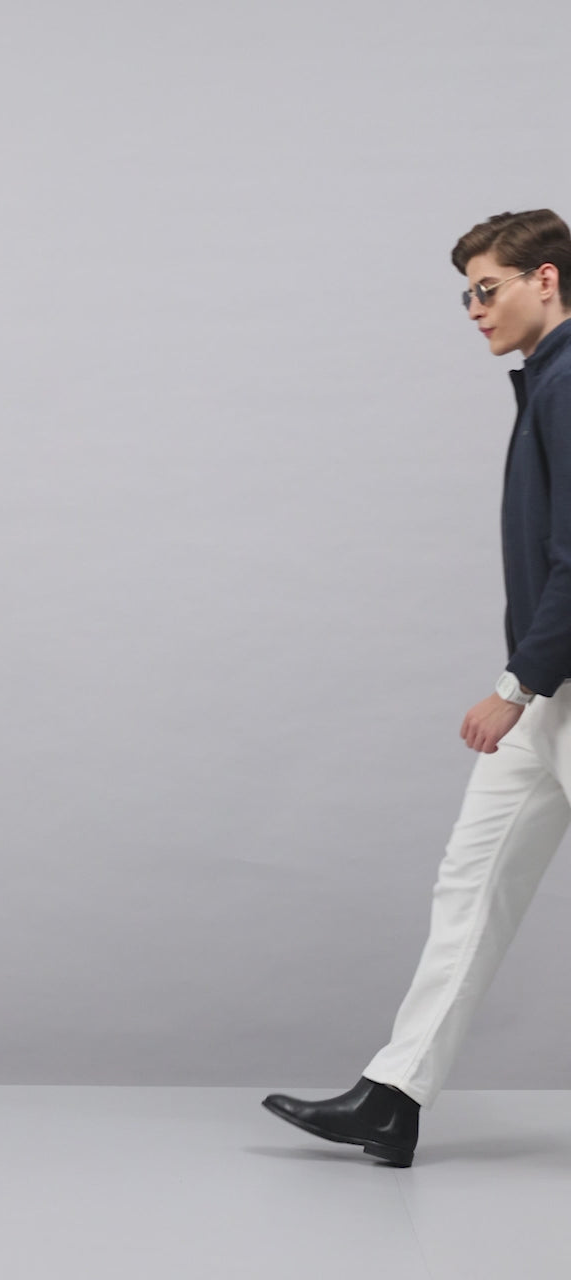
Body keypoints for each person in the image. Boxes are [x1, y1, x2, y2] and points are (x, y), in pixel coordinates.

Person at [262, 208, 571, 1168]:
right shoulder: (548, 381)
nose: (474, 309)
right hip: (548, 688)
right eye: (465, 294)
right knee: (471, 884)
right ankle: (393, 1098)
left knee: (471, 885)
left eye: (488, 288)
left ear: (546, 279)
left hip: (548, 682)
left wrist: (517, 682)